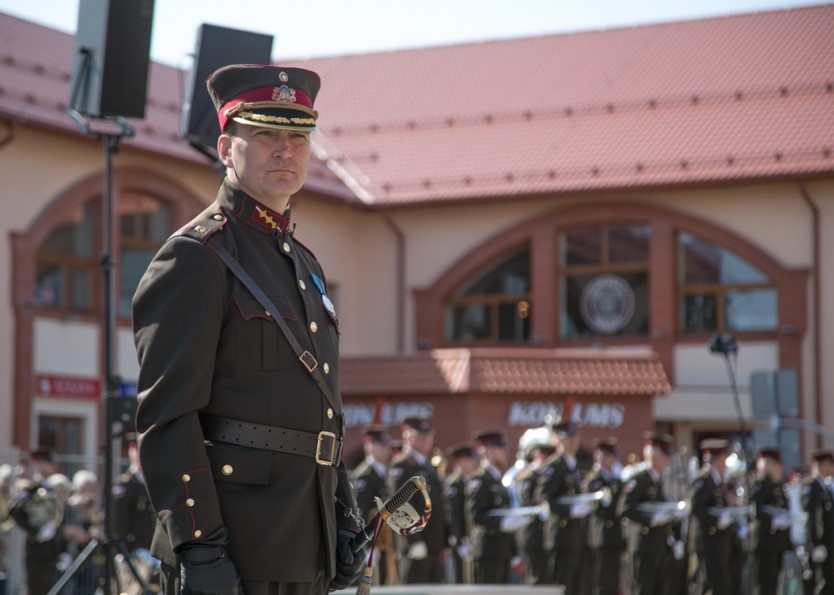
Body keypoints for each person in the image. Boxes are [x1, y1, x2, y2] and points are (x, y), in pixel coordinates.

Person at [132, 64, 364, 595]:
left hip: (306, 545)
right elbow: (169, 417)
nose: (285, 150)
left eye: (297, 137)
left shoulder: (304, 264)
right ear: (224, 147)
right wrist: (200, 546)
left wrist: (342, 518)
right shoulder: (194, 257)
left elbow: (322, 406)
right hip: (233, 548)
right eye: (264, 134)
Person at [388, 417, 449, 583]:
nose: (426, 441)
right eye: (420, 436)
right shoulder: (402, 466)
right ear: (407, 437)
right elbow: (399, 506)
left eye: (428, 436)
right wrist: (413, 540)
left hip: (434, 544)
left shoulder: (428, 466)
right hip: (415, 547)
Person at [535, 420, 590, 592]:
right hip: (560, 534)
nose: (574, 441)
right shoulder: (554, 465)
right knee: (562, 583)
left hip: (574, 536)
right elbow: (544, 497)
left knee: (576, 585)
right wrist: (570, 510)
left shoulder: (573, 464)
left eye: (575, 436)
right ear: (559, 440)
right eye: (569, 437)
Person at [620, 431, 675, 595]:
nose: (668, 460)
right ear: (654, 456)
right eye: (665, 455)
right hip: (643, 545)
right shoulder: (639, 478)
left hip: (657, 545)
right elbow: (625, 508)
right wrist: (651, 520)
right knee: (643, 588)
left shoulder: (657, 480)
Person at [9, 449, 65, 595]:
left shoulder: (52, 488)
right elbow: (16, 513)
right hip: (36, 549)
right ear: (38, 464)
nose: (51, 467)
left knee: (49, 588)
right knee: (34, 588)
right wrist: (37, 532)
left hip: (52, 549)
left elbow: (58, 515)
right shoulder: (30, 488)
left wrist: (62, 548)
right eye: (47, 463)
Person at [467, 430, 519, 584]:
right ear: (488, 451)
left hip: (503, 550)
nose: (506, 453)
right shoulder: (480, 479)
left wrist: (513, 550)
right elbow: (476, 515)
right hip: (487, 550)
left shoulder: (498, 480)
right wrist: (501, 523)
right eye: (501, 449)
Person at [690, 438, 738, 595]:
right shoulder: (704, 480)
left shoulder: (718, 481)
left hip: (719, 542)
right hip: (708, 541)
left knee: (720, 585)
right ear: (719, 459)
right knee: (710, 585)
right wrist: (717, 521)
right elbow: (696, 509)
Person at [350, 426, 394, 585]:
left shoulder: (388, 472)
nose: (386, 450)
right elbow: (361, 513)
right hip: (373, 542)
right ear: (369, 446)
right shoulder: (363, 475)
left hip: (387, 542)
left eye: (387, 446)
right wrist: (367, 546)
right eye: (381, 446)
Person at [584, 437, 624, 595]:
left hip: (614, 536)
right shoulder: (594, 478)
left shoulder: (614, 478)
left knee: (612, 580)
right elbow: (604, 503)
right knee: (601, 579)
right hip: (601, 535)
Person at [749, 446, 791, 595]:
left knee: (774, 584)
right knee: (765, 584)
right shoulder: (761, 483)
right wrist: (773, 521)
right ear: (768, 464)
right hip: (765, 541)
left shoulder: (776, 485)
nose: (780, 468)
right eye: (777, 464)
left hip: (776, 543)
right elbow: (754, 509)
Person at [444, 442, 479, 584]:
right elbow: (453, 515)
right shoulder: (454, 483)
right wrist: (459, 540)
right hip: (461, 541)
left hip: (473, 539)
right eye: (470, 459)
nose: (475, 462)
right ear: (461, 461)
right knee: (461, 580)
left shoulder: (473, 480)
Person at [803, 448, 834, 595]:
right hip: (820, 544)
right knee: (820, 583)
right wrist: (816, 544)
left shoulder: (824, 487)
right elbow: (812, 518)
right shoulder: (812, 486)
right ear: (823, 464)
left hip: (828, 542)